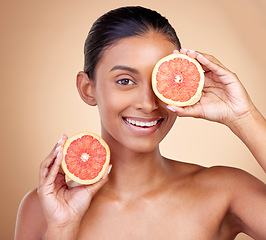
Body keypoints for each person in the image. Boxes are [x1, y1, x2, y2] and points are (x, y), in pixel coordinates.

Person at [15, 6, 266, 240]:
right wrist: (62, 229)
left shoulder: (226, 192)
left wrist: (243, 117)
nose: (148, 104)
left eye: (160, 81)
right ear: (88, 89)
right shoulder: (43, 209)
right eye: (125, 81)